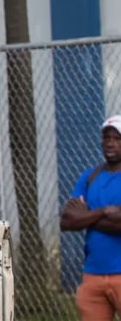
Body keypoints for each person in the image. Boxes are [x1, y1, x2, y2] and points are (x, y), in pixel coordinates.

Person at [60, 115, 121, 320]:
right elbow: (67, 221)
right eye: (106, 137)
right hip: (93, 274)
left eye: (117, 138)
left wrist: (86, 215)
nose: (110, 143)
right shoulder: (90, 176)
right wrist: (103, 212)